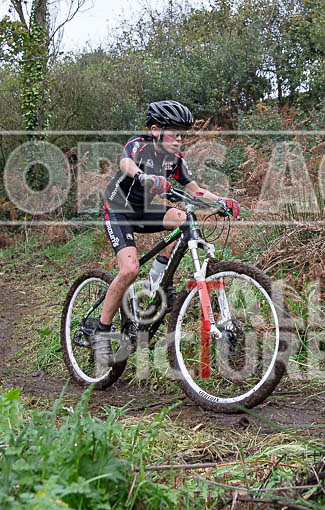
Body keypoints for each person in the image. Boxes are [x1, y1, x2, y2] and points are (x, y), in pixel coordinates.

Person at [91, 100, 240, 375]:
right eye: (174, 132)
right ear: (156, 130)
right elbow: (125, 162)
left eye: (182, 133)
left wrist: (221, 201)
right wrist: (143, 176)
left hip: (144, 211)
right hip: (118, 210)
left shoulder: (176, 161)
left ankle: (157, 278)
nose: (179, 138)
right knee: (129, 269)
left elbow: (195, 191)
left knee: (184, 219)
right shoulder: (140, 145)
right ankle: (101, 332)